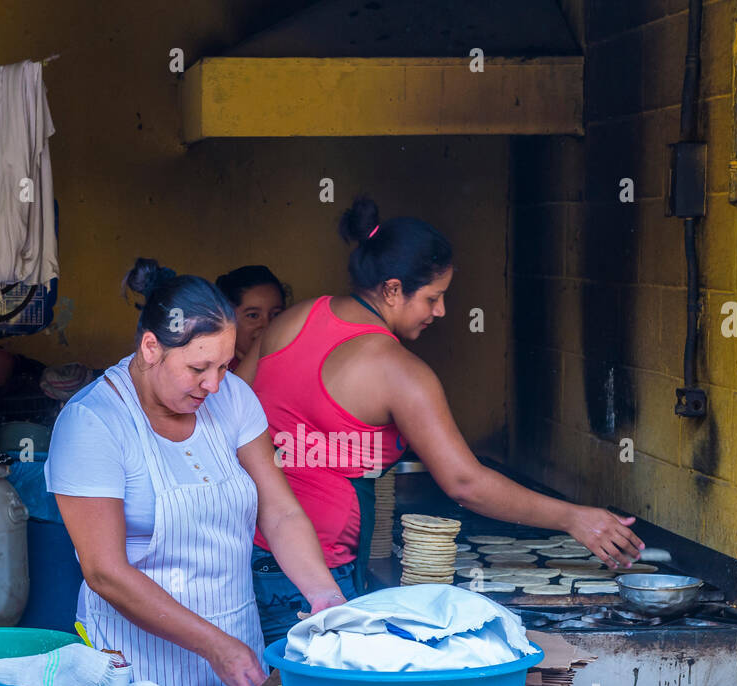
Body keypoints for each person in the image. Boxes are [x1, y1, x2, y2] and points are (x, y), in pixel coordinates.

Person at [236, 196, 644, 639]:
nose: (441, 311)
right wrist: (573, 518)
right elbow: (465, 484)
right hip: (316, 573)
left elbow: (228, 412)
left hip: (247, 551)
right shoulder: (398, 370)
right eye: (433, 297)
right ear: (392, 290)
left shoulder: (291, 320)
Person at [46, 259, 346, 686]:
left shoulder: (233, 401)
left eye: (225, 366)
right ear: (151, 348)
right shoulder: (93, 422)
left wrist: (325, 596)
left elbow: (280, 511)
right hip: (135, 666)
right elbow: (105, 572)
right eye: (198, 368)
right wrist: (214, 647)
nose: (214, 384)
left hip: (236, 648)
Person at [215, 265, 289, 365]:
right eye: (253, 316)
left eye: (276, 314)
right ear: (226, 318)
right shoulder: (217, 370)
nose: (267, 325)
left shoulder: (291, 362)